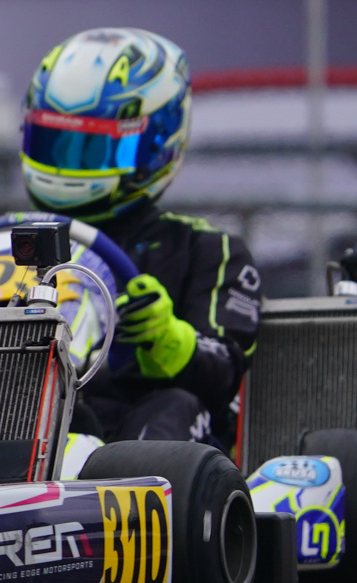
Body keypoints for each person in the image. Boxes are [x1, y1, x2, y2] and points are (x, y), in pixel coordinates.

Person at [19, 28, 261, 450]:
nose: (68, 165)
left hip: (138, 446)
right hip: (33, 425)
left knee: (176, 403)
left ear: (156, 146)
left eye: (91, 149)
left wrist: (167, 336)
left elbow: (226, 374)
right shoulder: (3, 244)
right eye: (57, 143)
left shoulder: (207, 251)